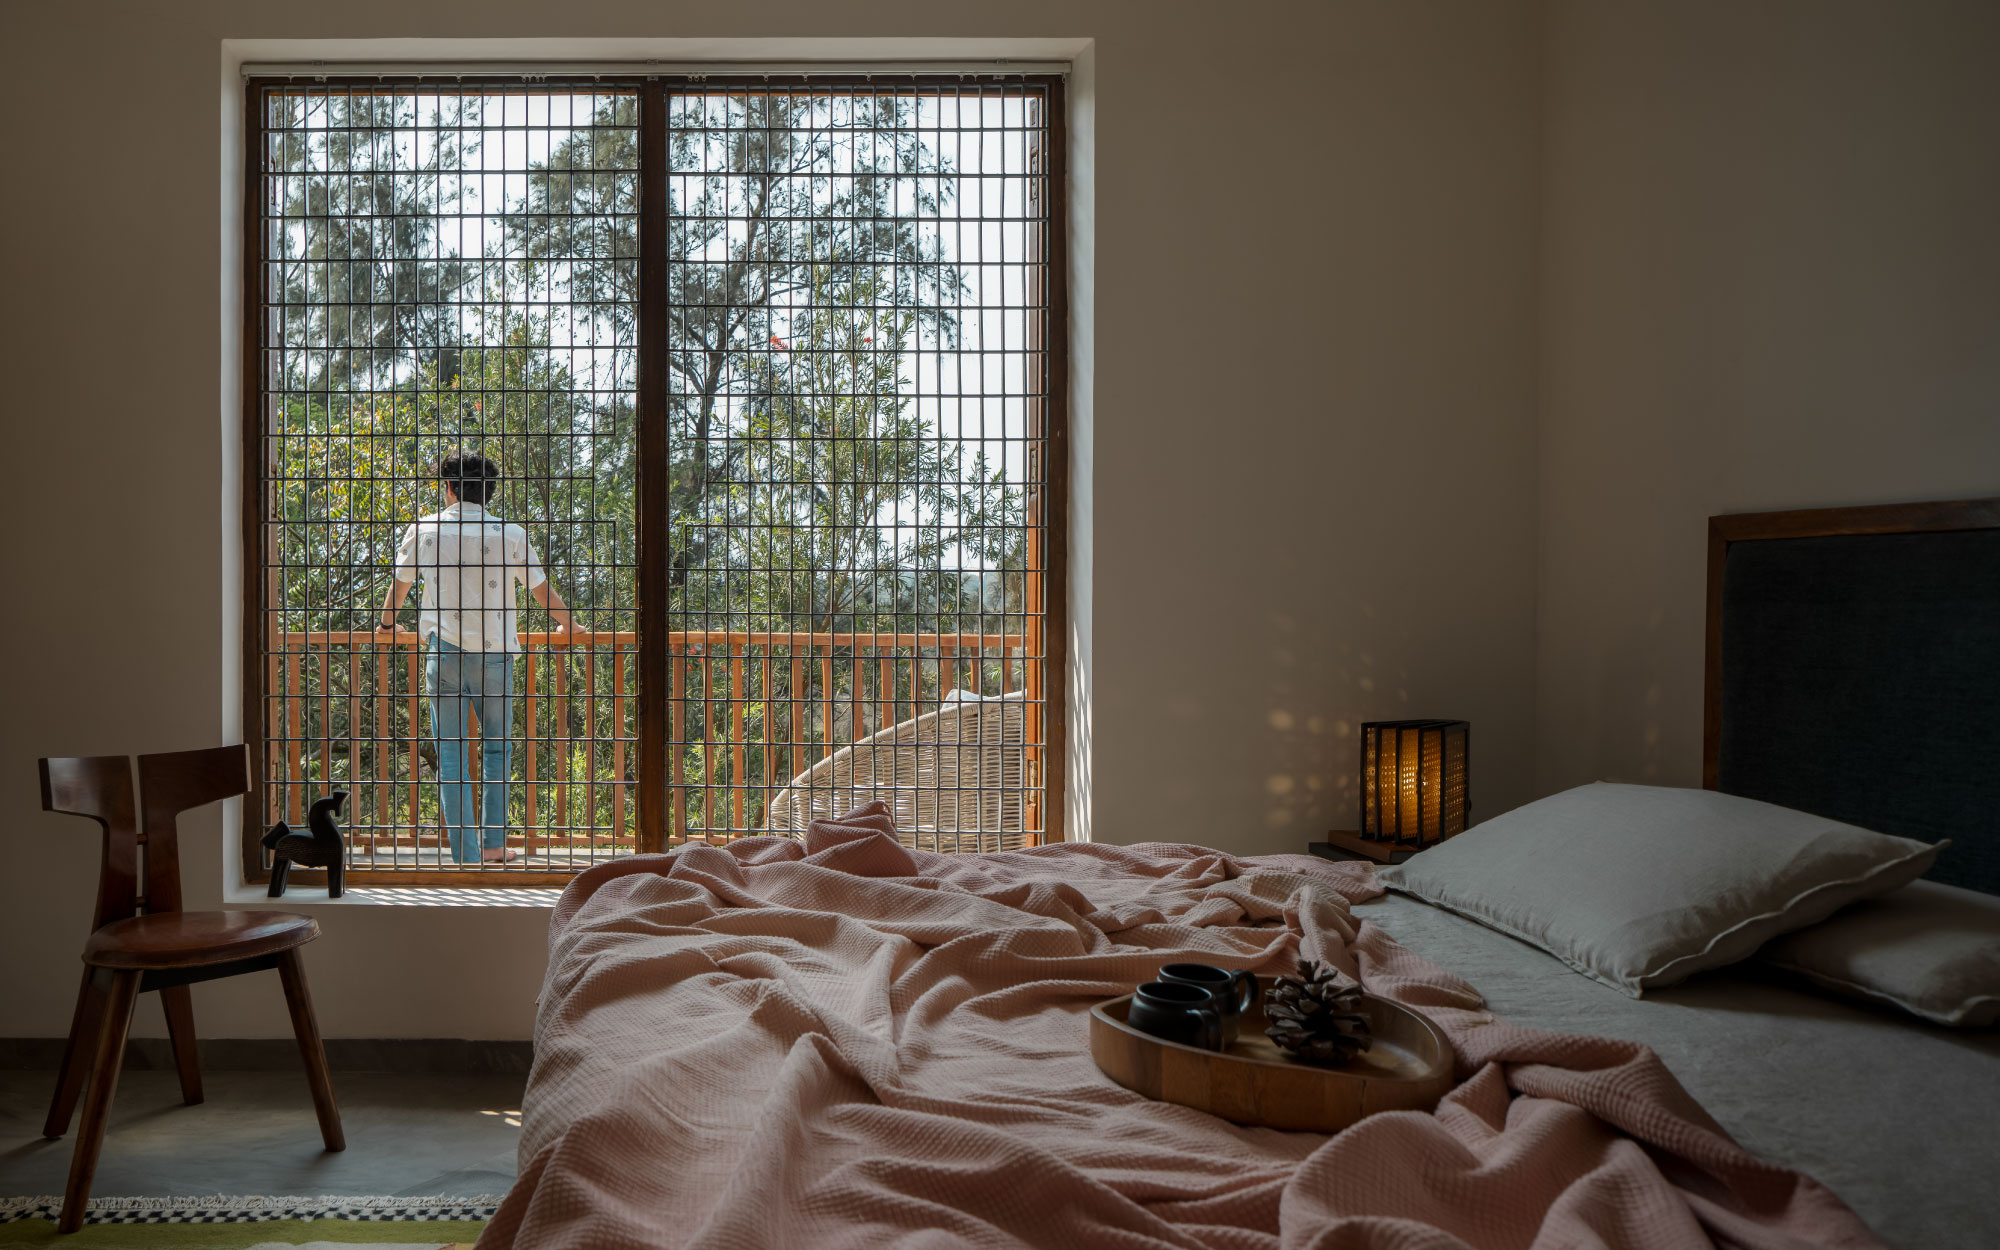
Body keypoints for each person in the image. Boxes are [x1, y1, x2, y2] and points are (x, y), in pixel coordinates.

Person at [378, 452, 575, 863]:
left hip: (445, 652)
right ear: (489, 492)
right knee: (497, 750)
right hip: (496, 654)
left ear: (449, 488)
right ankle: (495, 846)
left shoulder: (425, 529)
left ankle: (465, 855)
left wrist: (386, 625)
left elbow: (400, 585)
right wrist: (569, 624)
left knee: (451, 754)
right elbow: (540, 590)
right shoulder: (510, 533)